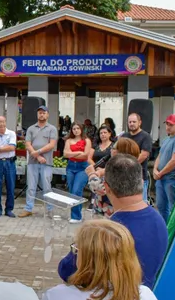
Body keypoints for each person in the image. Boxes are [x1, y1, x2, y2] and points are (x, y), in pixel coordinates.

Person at [62, 155, 167, 288]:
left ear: (106, 187)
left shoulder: (108, 231)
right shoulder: (159, 220)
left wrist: (78, 248)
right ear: (141, 181)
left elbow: (66, 271)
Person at [19, 106, 58, 218]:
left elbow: (51, 144)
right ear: (37, 115)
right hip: (32, 162)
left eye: (44, 113)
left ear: (47, 115)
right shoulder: (31, 128)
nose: (41, 115)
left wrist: (38, 152)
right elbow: (27, 144)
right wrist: (36, 155)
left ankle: (49, 210)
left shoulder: (52, 129)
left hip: (46, 162)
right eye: (40, 113)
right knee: (31, 186)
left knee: (47, 186)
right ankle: (28, 208)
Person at [153, 114, 175, 223]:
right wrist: (155, 169)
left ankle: (172, 232)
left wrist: (161, 172)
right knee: (161, 206)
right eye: (167, 124)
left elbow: (174, 161)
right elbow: (160, 155)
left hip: (171, 178)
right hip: (161, 178)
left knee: (173, 207)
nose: (168, 127)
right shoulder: (166, 139)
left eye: (171, 125)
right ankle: (165, 230)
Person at [62, 122, 92, 223]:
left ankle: (76, 216)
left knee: (76, 190)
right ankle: (74, 214)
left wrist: (72, 154)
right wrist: (78, 152)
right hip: (70, 167)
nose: (76, 130)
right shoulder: (69, 140)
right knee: (71, 191)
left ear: (81, 129)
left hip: (82, 167)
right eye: (74, 129)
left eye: (78, 128)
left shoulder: (86, 140)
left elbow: (85, 156)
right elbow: (65, 154)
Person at [120, 113, 153, 201]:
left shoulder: (146, 136)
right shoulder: (124, 136)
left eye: (134, 122)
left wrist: (128, 165)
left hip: (139, 177)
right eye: (130, 122)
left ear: (139, 122)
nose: (131, 124)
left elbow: (143, 155)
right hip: (124, 176)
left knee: (141, 204)